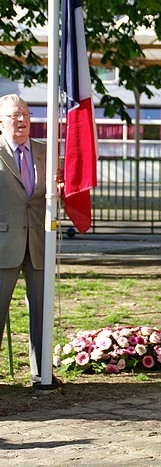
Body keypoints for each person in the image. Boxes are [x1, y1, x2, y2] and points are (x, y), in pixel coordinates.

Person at [0, 93, 57, 388]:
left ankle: (42, 373)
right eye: (14, 115)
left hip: (38, 242)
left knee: (42, 313)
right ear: (1, 121)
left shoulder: (45, 152)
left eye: (25, 114)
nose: (21, 120)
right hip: (3, 244)